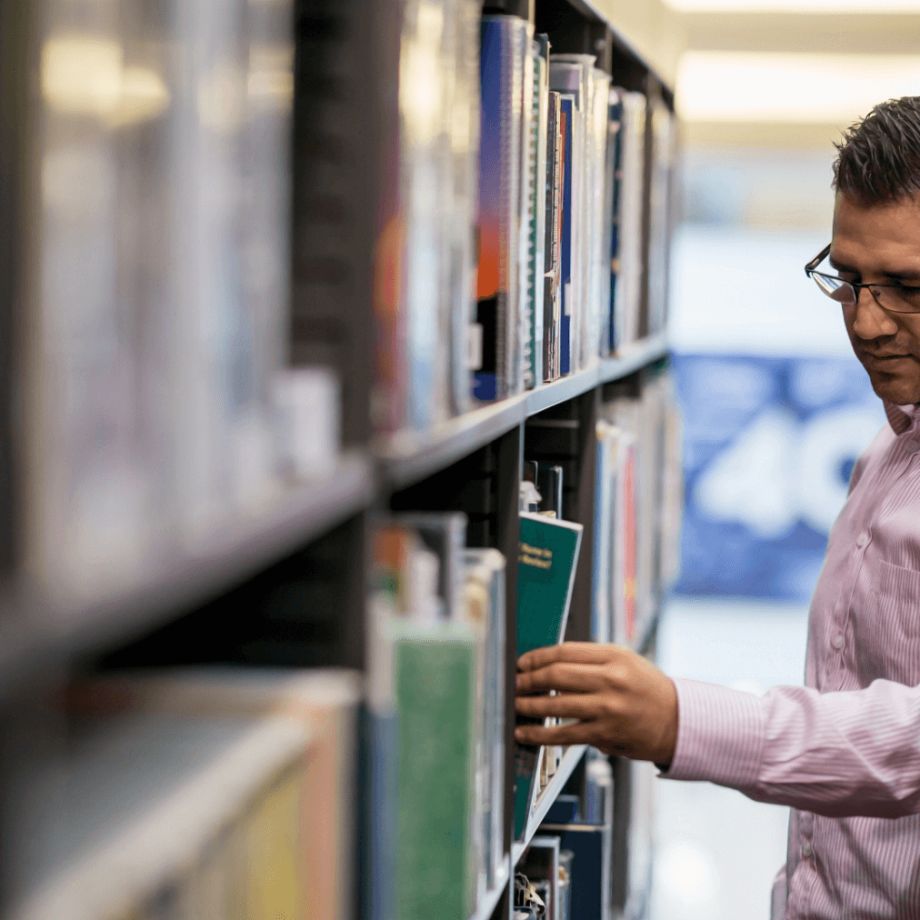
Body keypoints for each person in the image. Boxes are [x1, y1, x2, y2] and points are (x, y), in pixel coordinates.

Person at [514, 95, 920, 919]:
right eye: (847, 280)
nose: (867, 324)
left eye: (908, 287)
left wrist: (679, 720)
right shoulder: (885, 451)